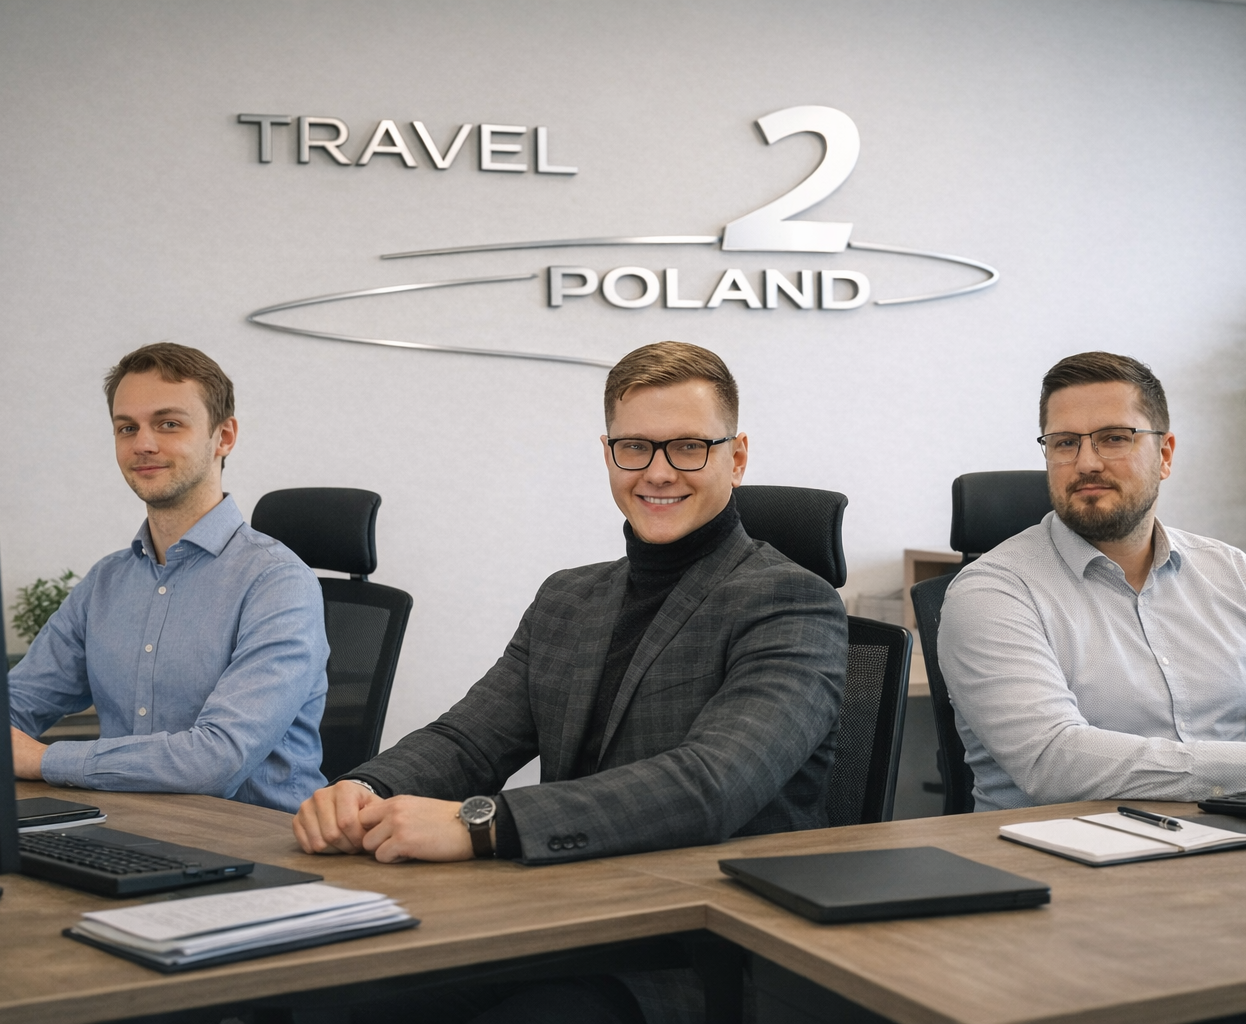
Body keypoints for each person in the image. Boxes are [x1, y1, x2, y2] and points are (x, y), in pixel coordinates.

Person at [293, 341, 847, 1024]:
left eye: (688, 447)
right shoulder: (568, 598)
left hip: (700, 953)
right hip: (564, 919)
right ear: (609, 454)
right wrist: (366, 788)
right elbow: (469, 740)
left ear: (735, 458)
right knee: (336, 1001)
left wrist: (481, 826)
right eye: (635, 447)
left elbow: (711, 785)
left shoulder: (792, 602)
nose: (658, 471)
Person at [938, 351, 1246, 812]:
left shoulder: (1234, 574)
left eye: (1114, 438)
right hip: (1057, 844)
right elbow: (1053, 761)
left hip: (1238, 834)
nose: (1086, 462)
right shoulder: (991, 592)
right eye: (1065, 443)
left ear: (1164, 455)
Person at [9, 343, 329, 813]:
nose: (143, 444)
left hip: (253, 841)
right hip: (126, 827)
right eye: (127, 428)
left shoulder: (278, 584)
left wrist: (43, 760)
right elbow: (14, 703)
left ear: (223, 437)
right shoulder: (106, 582)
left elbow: (216, 760)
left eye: (168, 424)